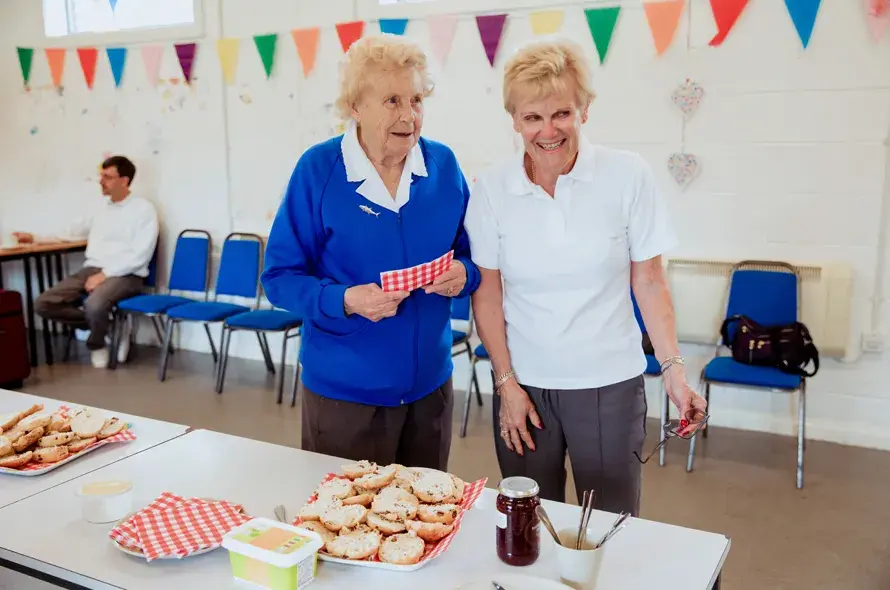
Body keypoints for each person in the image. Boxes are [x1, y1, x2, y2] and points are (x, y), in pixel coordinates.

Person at [464, 39, 707, 516]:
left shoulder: (627, 175)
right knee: (529, 524)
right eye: (532, 117)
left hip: (609, 385)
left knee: (610, 524)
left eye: (562, 113)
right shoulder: (492, 187)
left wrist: (674, 370)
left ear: (584, 111)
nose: (548, 130)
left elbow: (650, 282)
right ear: (514, 120)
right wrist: (507, 384)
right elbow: (488, 296)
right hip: (525, 386)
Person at [261, 35, 481, 471]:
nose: (408, 115)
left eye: (417, 99)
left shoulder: (443, 166)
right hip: (346, 396)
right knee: (347, 527)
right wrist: (344, 300)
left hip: (430, 390)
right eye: (392, 100)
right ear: (356, 107)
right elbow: (280, 278)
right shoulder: (319, 170)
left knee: (423, 525)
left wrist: (464, 273)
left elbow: (472, 255)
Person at [14, 156, 158, 369]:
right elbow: (70, 233)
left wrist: (105, 274)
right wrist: (35, 237)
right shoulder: (99, 207)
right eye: (101, 176)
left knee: (94, 304)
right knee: (43, 303)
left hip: (127, 274)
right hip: (92, 268)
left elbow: (140, 255)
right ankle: (109, 327)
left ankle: (96, 344)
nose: (101, 181)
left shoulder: (143, 210)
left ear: (124, 181)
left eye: (108, 177)